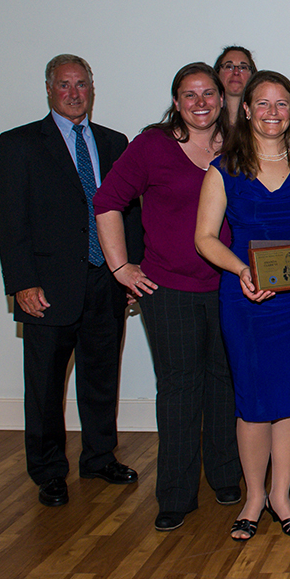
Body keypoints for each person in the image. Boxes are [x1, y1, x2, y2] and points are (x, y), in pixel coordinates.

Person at [94, 62, 241, 531]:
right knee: (180, 389)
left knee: (224, 383)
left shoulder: (239, 144)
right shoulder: (152, 145)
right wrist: (121, 266)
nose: (200, 103)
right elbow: (106, 201)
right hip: (170, 289)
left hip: (230, 286)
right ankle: (176, 494)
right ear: (176, 102)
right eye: (189, 95)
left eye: (208, 94)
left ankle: (224, 476)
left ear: (221, 98)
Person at [0, 54, 142, 508]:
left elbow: (129, 214)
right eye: (64, 85)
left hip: (104, 282)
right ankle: (48, 470)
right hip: (47, 287)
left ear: (92, 88)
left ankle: (99, 456)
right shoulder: (19, 144)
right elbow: (10, 220)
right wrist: (22, 282)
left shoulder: (116, 143)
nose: (74, 93)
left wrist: (130, 269)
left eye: (82, 84)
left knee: (101, 377)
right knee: (45, 385)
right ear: (49, 89)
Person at [195, 70, 290, 540]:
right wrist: (241, 271)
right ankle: (254, 498)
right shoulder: (224, 169)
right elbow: (205, 239)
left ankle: (281, 495)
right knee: (254, 401)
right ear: (248, 110)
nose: (272, 112)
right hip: (247, 300)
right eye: (263, 103)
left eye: (281, 104)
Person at [214, 46, 257, 129]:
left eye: (243, 67)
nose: (236, 72)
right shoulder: (207, 120)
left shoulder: (260, 120)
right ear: (217, 73)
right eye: (229, 66)